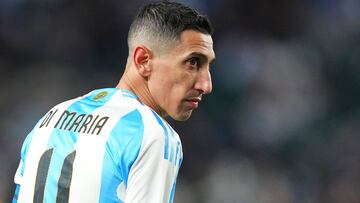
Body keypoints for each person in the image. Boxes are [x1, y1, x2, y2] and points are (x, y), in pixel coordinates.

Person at [12, 0, 215, 202]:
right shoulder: (153, 135)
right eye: (193, 62)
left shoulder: (50, 118)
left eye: (208, 66)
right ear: (143, 60)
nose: (206, 85)